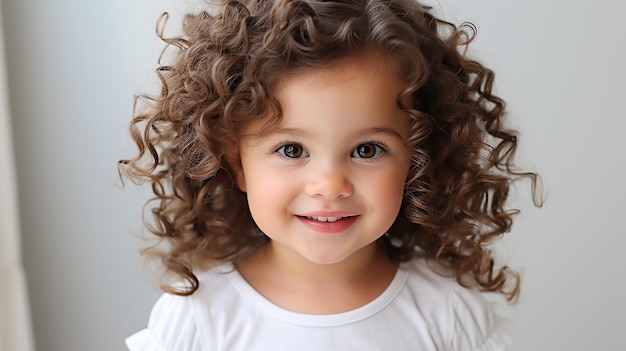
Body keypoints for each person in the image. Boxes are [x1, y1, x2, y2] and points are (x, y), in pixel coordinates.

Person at [120, 0, 541, 349]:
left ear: (416, 159)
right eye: (292, 149)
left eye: (366, 149)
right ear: (237, 163)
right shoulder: (200, 317)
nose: (330, 185)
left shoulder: (447, 311)